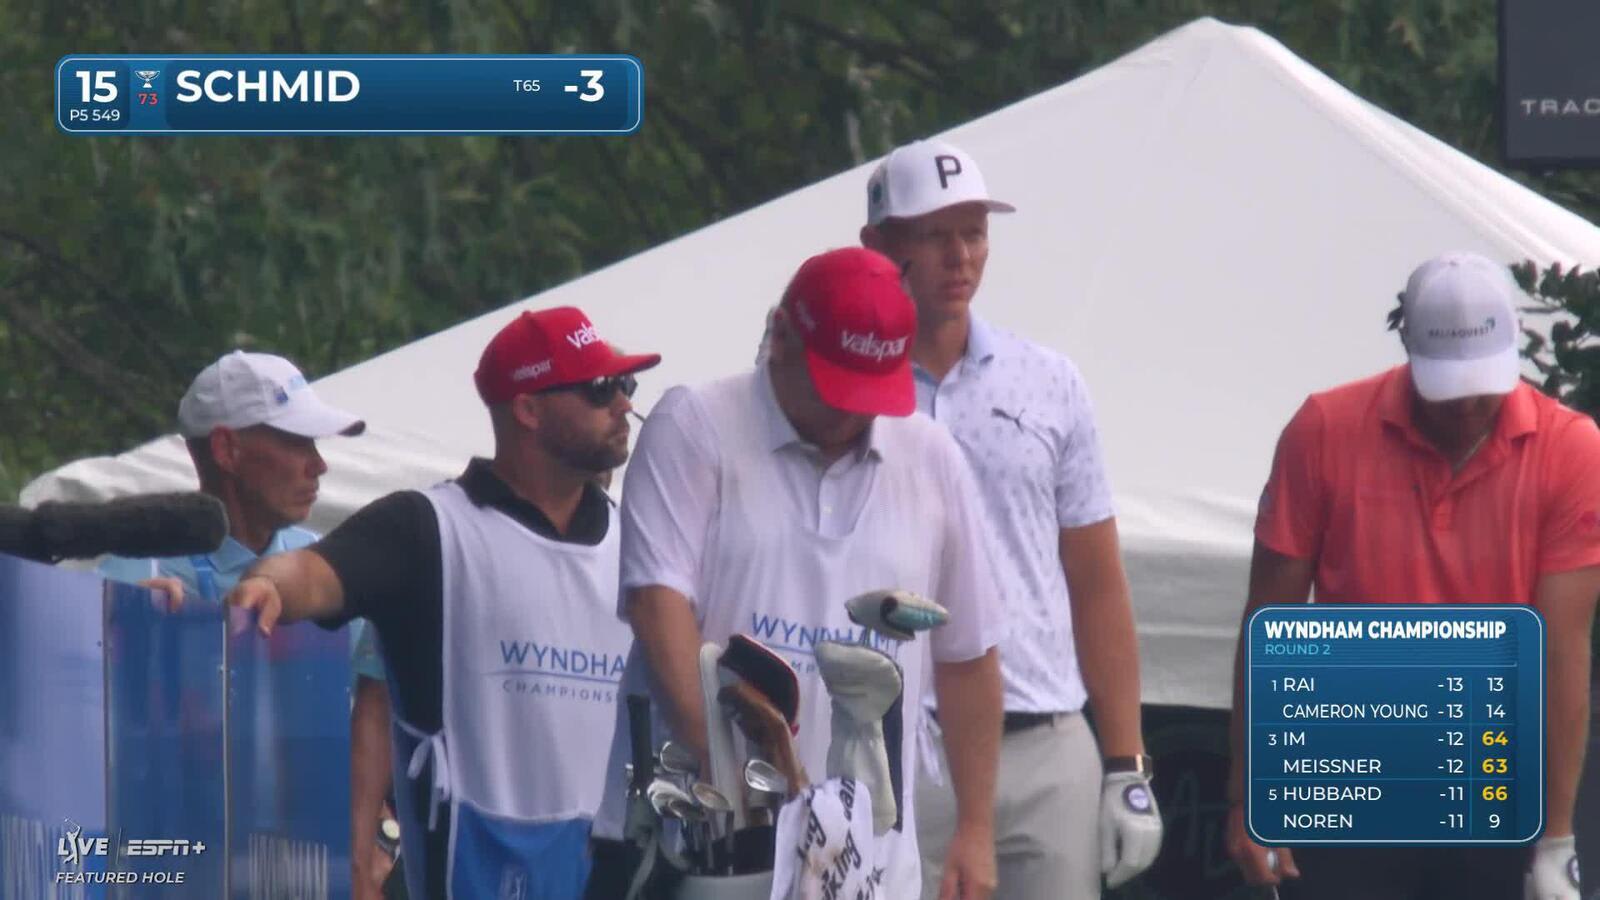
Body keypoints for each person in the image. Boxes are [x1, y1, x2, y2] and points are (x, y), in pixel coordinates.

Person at [586, 246, 1007, 900]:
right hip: (707, 844)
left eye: (871, 392)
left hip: (864, 862)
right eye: (837, 386)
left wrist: (976, 828)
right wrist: (740, 791)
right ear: (781, 334)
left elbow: (969, 655)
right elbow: (657, 606)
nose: (852, 412)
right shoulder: (695, 424)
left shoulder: (931, 456)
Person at [224, 307, 660, 900]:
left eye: (625, 384)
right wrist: (269, 583)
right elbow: (313, 571)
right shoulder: (425, 526)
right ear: (528, 409)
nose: (622, 403)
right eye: (599, 387)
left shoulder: (636, 537)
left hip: (616, 870)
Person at [1224, 251, 1600, 900]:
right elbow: (1270, 624)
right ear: (1407, 347)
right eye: (1448, 386)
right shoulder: (1324, 430)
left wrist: (1558, 837)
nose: (1468, 407)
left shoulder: (1570, 449)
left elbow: (1563, 648)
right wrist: (1249, 794)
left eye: (1483, 383)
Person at [859, 139, 1163, 900]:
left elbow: (1095, 583)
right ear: (881, 246)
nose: (960, 256)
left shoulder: (1050, 382)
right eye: (934, 235)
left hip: (1044, 738)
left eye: (975, 232)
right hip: (895, 740)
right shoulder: (844, 387)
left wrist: (1125, 763)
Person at [100, 348, 365, 605]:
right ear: (225, 449)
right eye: (295, 441)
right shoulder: (134, 573)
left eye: (313, 442)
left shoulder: (327, 566)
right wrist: (120, 624)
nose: (319, 465)